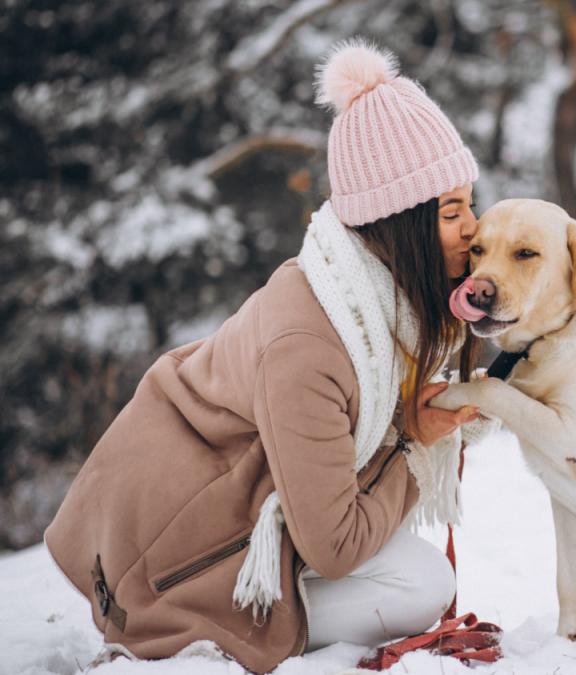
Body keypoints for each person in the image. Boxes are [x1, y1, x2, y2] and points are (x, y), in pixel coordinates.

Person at [44, 39, 498, 673]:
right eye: (452, 212)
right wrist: (411, 440)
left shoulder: (362, 301)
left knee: (411, 566)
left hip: (226, 527)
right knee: (422, 587)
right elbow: (337, 545)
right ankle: (225, 631)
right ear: (402, 224)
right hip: (167, 571)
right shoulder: (312, 344)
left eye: (469, 202)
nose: (474, 228)